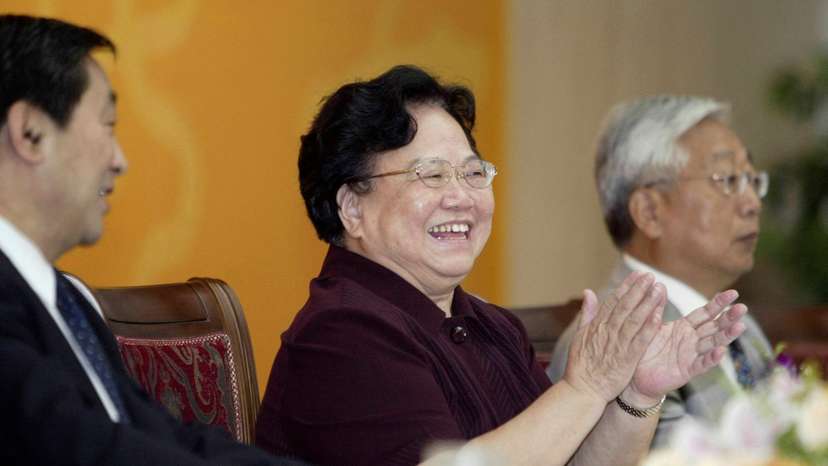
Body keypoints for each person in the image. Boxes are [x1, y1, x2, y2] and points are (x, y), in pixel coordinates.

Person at [255, 65, 748, 466]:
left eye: (473, 173)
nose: (461, 197)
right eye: (430, 174)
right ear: (352, 207)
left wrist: (637, 394)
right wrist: (586, 386)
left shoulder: (489, 325)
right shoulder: (341, 335)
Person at [0, 14, 308, 466]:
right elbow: (87, 449)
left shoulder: (69, 303)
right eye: (108, 125)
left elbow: (167, 437)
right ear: (31, 132)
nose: (120, 161)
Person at [547, 95, 774, 448]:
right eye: (728, 179)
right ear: (649, 212)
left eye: (752, 180)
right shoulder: (613, 340)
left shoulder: (742, 325)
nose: (752, 203)